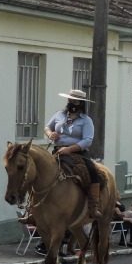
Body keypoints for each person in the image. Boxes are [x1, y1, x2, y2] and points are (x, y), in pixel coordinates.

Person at [40, 88, 102, 219]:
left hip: (78, 152)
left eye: (76, 101)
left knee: (92, 170)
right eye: (71, 99)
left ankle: (94, 204)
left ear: (81, 103)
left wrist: (69, 149)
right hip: (57, 150)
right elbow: (47, 127)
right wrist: (51, 134)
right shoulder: (59, 115)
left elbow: (87, 141)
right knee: (40, 171)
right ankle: (34, 210)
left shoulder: (86, 120)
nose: (73, 102)